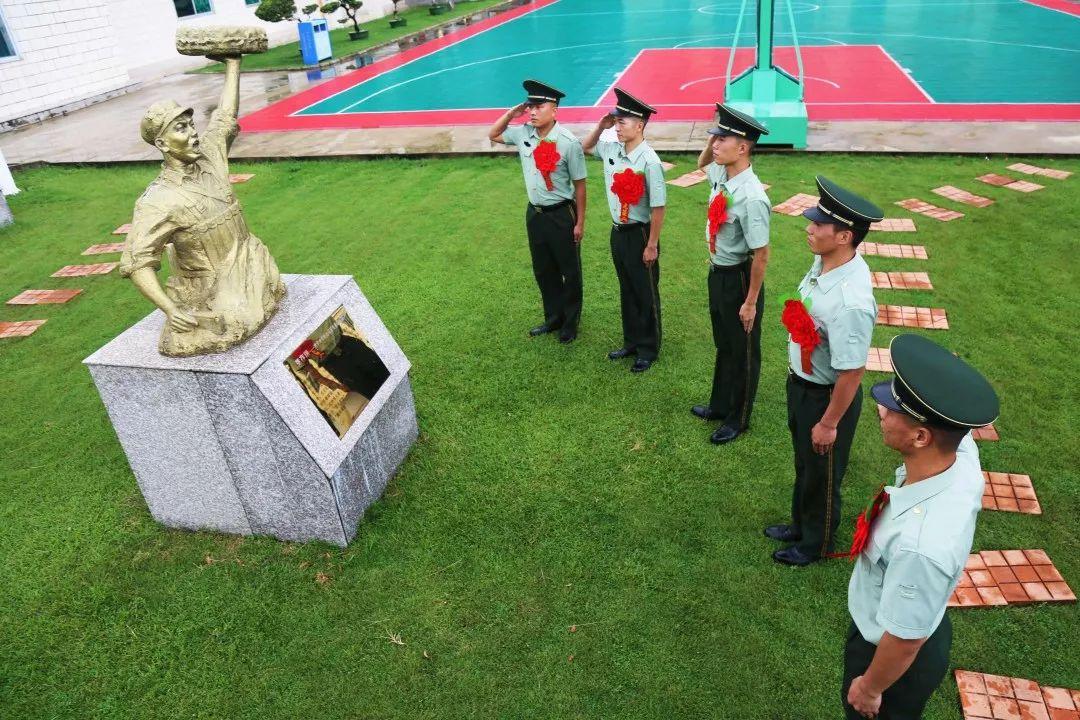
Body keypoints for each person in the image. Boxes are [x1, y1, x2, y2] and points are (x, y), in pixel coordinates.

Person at [843, 333, 999, 719]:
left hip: (892, 660)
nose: (880, 411)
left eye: (892, 409)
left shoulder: (919, 545)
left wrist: (870, 686)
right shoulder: (959, 457)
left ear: (921, 436)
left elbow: (904, 640)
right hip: (922, 621)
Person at [120, 55, 285, 357]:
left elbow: (224, 116)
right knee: (237, 318)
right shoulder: (157, 201)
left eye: (191, 125)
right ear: (162, 143)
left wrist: (233, 64)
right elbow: (137, 262)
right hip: (212, 290)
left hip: (254, 265)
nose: (194, 133)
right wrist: (170, 309)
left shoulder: (210, 156)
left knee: (263, 300)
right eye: (181, 128)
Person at [766, 176, 882, 566]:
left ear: (845, 236)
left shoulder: (851, 302)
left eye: (819, 225)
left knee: (823, 473)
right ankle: (800, 524)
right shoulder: (825, 262)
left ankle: (815, 543)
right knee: (805, 463)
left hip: (826, 398)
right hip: (803, 384)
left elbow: (851, 373)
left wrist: (830, 423)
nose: (809, 228)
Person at [690, 103, 771, 445]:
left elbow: (762, 254)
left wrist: (750, 302)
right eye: (715, 137)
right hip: (717, 273)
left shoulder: (752, 197)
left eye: (723, 139)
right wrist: (715, 140)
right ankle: (720, 405)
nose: (715, 144)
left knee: (743, 351)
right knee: (724, 343)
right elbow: (701, 164)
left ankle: (738, 418)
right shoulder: (722, 174)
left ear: (743, 148)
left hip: (739, 279)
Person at [489, 80, 587, 343]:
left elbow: (580, 185)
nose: (532, 111)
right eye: (530, 106)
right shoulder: (523, 134)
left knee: (570, 270)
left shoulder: (568, 143)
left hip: (561, 213)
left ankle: (570, 322)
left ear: (554, 110)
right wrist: (512, 113)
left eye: (539, 106)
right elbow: (494, 134)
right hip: (535, 213)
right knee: (544, 269)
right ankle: (553, 317)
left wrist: (580, 222)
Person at [582, 88, 667, 373]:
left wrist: (652, 244)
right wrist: (600, 126)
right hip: (618, 232)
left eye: (622, 122)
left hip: (640, 233)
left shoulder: (650, 161)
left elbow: (658, 207)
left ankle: (648, 348)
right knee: (627, 289)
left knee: (645, 291)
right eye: (616, 122)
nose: (617, 127)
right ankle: (631, 341)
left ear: (640, 125)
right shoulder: (611, 149)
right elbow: (586, 147)